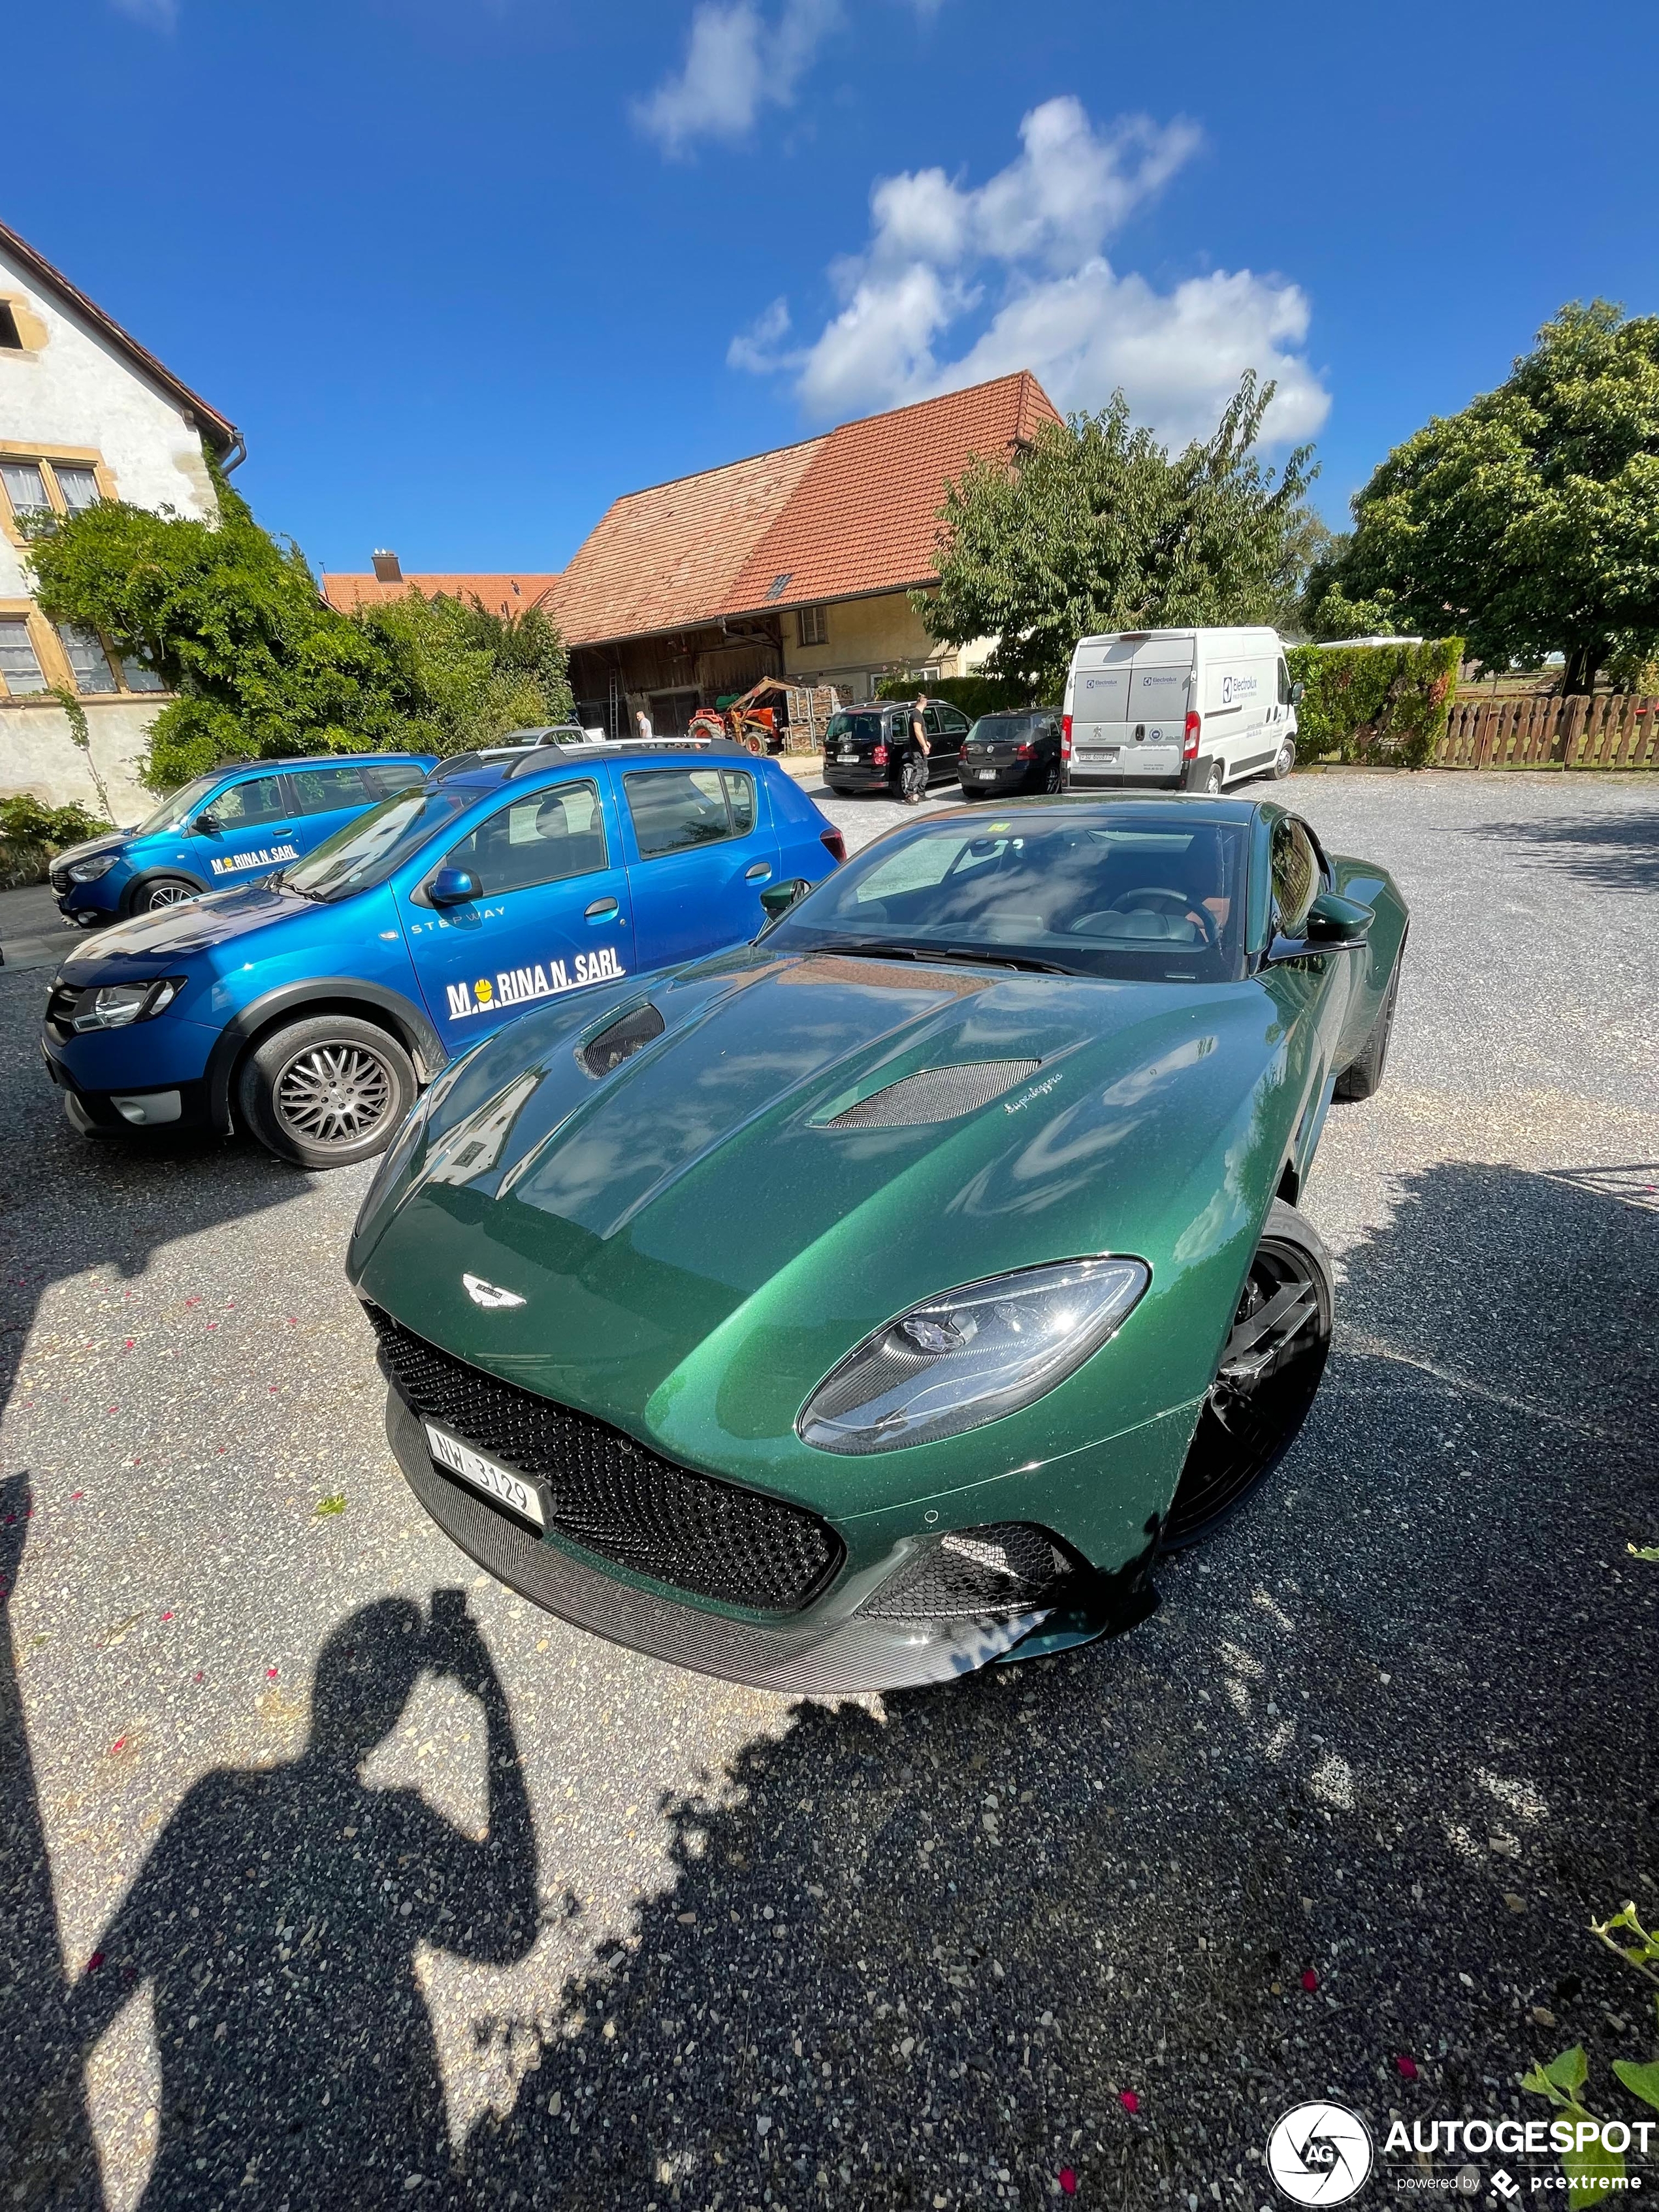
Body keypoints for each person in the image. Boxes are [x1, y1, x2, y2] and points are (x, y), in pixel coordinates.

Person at [897, 691, 930, 804]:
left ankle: (921, 794)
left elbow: (920, 731)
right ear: (925, 703)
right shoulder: (916, 715)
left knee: (925, 771)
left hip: (921, 749)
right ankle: (910, 795)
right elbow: (917, 730)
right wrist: (924, 745)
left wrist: (926, 742)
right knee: (919, 772)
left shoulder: (918, 715)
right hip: (918, 750)